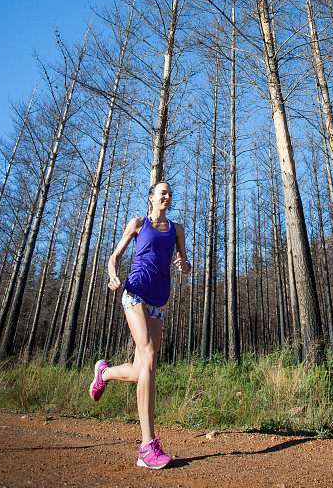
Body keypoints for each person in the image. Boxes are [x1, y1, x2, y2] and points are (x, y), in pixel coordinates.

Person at [88, 180, 191, 469]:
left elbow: (184, 261)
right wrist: (112, 276)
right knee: (147, 358)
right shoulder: (138, 223)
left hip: (158, 300)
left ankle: (104, 373)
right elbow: (114, 257)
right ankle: (147, 446)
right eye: (163, 193)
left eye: (170, 193)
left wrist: (184, 265)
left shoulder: (177, 230)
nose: (168, 197)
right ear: (151, 198)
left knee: (142, 368)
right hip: (134, 293)